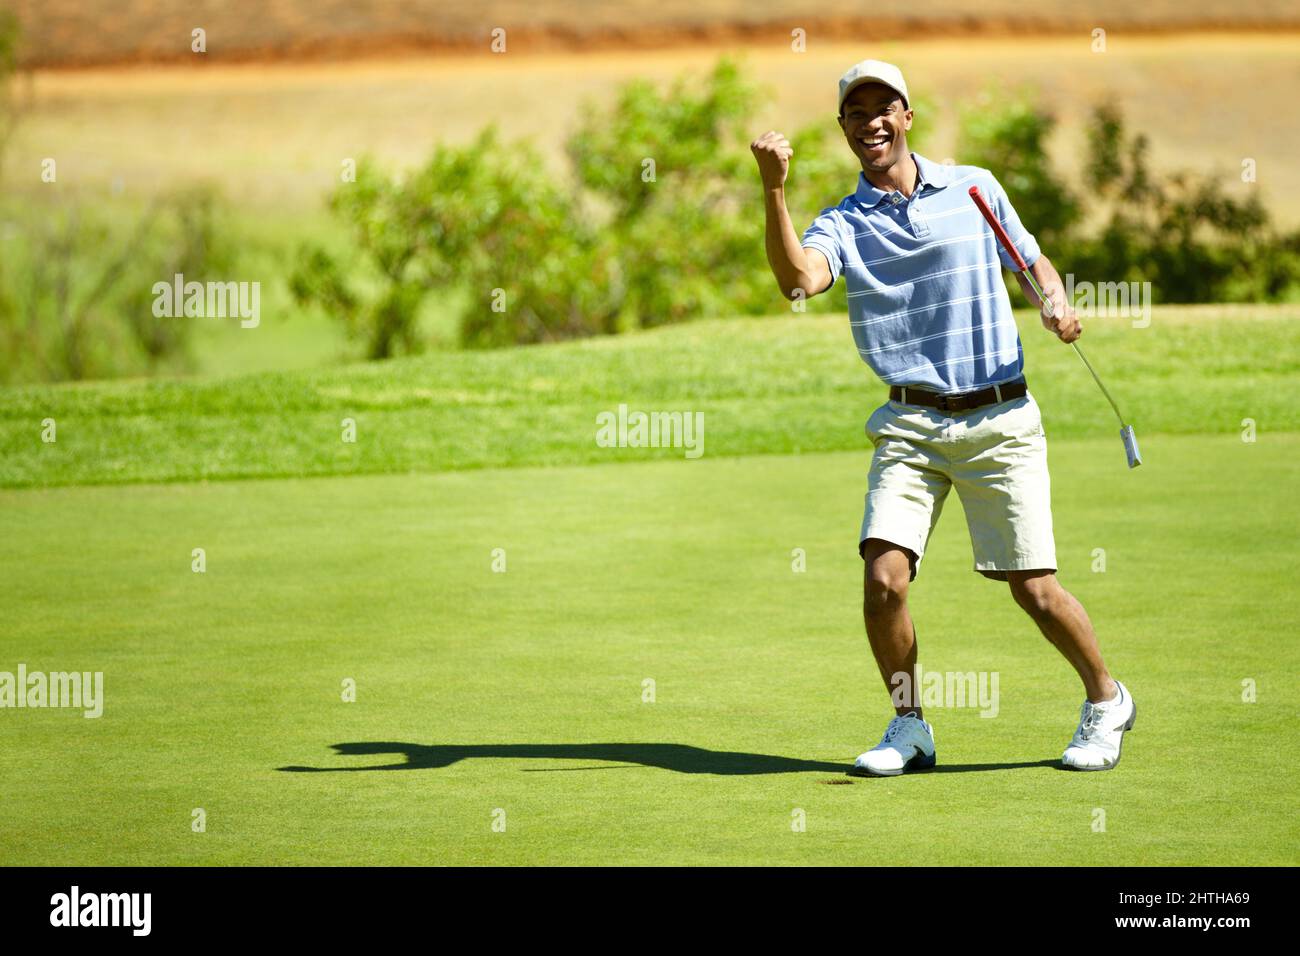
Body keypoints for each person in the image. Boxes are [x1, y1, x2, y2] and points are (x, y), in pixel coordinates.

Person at [750, 59, 1135, 775]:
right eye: (855, 112)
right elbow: (798, 281)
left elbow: (1033, 262)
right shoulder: (842, 221)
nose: (870, 121)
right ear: (843, 129)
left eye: (882, 107)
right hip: (910, 426)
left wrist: (1054, 299)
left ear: (907, 115)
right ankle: (910, 728)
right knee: (883, 581)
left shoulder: (973, 188)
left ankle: (1107, 699)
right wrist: (774, 189)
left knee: (1037, 592)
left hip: (1000, 416)